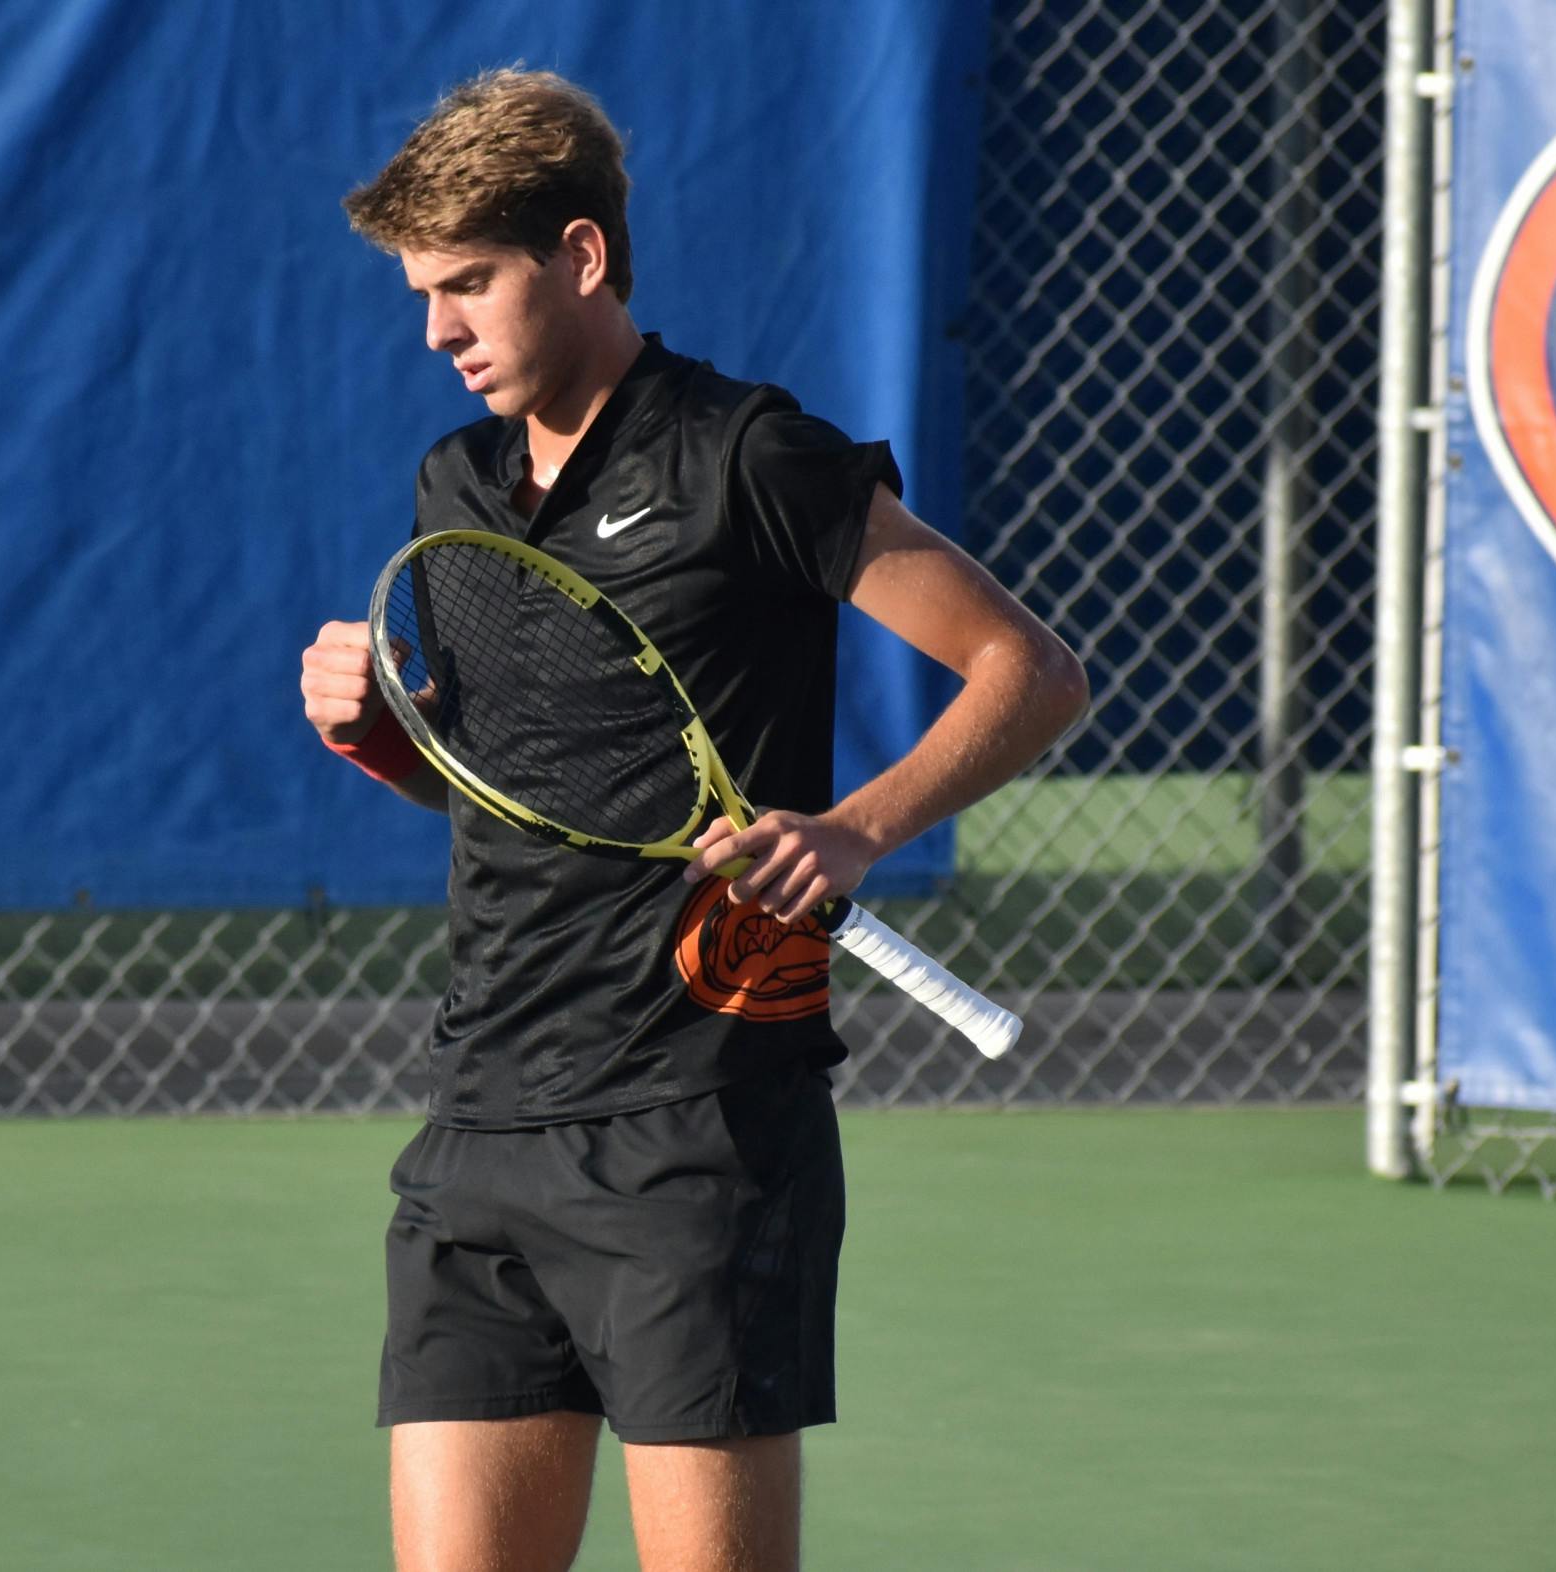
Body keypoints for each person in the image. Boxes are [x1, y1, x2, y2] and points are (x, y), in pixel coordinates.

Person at [299, 68, 1088, 1572]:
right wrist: (382, 742)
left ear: (582, 257)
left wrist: (858, 827)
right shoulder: (453, 484)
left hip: (695, 1135)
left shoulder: (749, 457)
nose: (437, 332)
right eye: (420, 292)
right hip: (482, 1124)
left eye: (469, 284)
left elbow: (1031, 672)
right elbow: (524, 792)